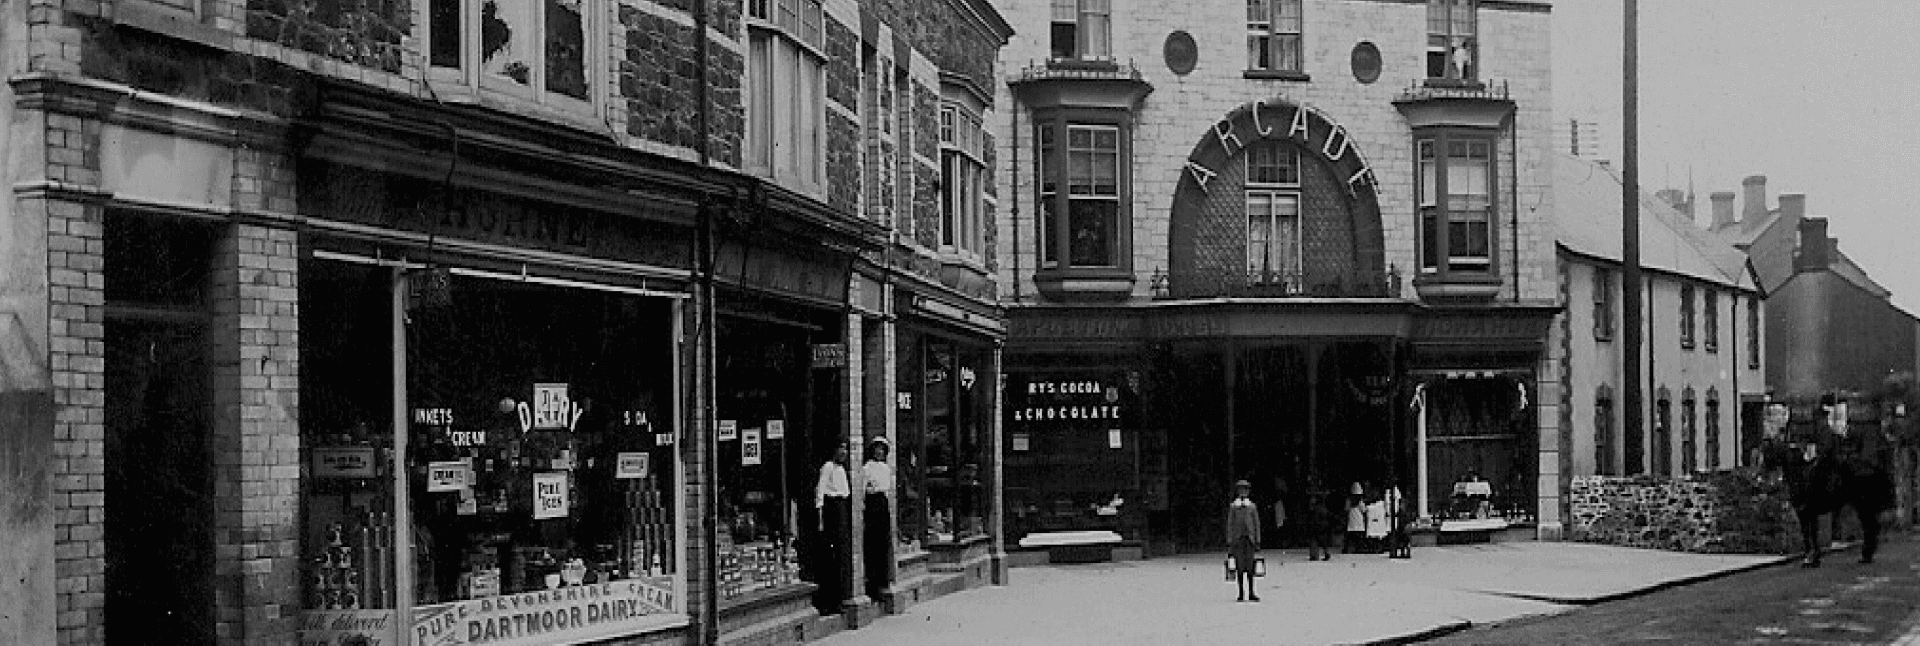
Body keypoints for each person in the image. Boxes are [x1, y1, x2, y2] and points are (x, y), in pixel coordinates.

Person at [814, 445, 852, 614]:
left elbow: (846, 493)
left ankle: (839, 598)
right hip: (831, 510)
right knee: (830, 557)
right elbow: (820, 492)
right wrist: (821, 519)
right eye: (840, 448)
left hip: (841, 508)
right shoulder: (828, 467)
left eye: (846, 449)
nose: (843, 452)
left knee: (841, 556)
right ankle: (828, 601)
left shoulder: (842, 470)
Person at [861, 438, 895, 599]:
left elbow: (888, 488)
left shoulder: (887, 469)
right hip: (872, 503)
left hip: (882, 503)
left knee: (883, 543)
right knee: (872, 544)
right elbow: (863, 489)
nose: (879, 452)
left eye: (882, 449)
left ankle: (884, 582)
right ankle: (872, 584)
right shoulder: (867, 468)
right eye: (877, 449)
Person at [1225, 480, 1262, 602]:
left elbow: (1256, 524)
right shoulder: (1234, 507)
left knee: (1250, 567)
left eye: (1245, 489)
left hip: (1249, 540)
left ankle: (1251, 592)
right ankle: (1241, 592)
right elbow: (1230, 524)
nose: (1243, 492)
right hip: (1238, 540)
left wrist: (1257, 540)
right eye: (1241, 489)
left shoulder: (1252, 506)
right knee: (1240, 567)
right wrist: (1230, 540)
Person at [1302, 475, 1333, 561]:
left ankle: (1315, 555)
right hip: (1322, 521)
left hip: (1318, 521)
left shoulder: (1317, 505)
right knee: (1321, 539)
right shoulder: (1322, 506)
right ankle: (1323, 553)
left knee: (1315, 538)